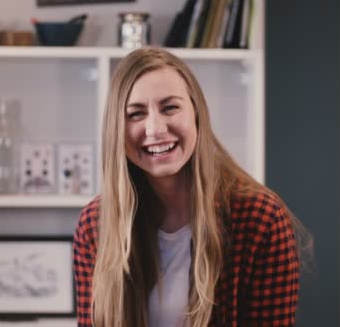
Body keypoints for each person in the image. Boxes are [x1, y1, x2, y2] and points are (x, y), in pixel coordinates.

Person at [73, 47, 311, 327]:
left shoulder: (260, 218)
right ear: (117, 130)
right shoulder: (95, 225)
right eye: (135, 114)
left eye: (170, 107)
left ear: (197, 114)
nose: (155, 129)